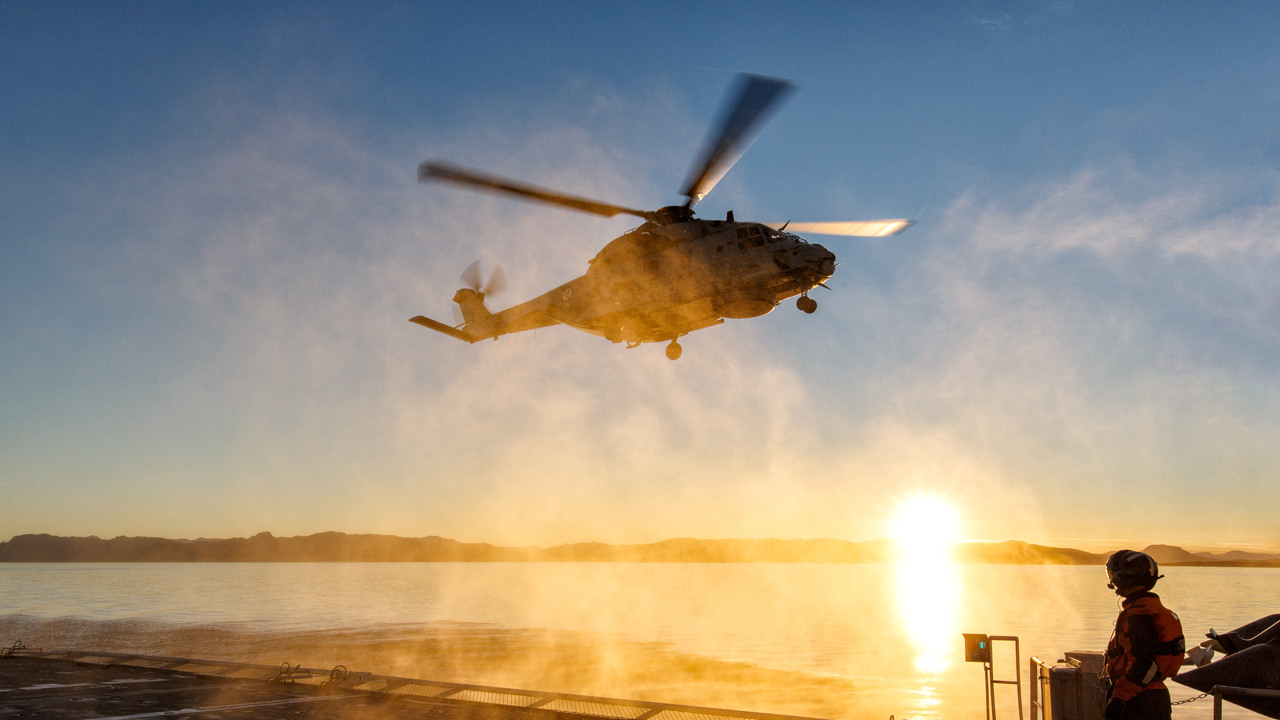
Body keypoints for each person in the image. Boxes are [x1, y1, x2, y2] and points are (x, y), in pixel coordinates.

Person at [1103, 550, 1186, 720]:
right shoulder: (1154, 610)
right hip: (1154, 697)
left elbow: (1144, 664)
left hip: (1139, 701)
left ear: (1122, 577)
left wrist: (1119, 699)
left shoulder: (1139, 616)